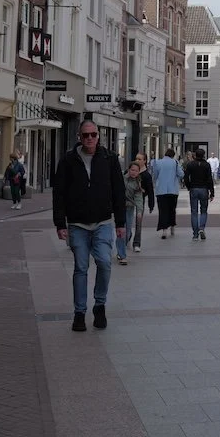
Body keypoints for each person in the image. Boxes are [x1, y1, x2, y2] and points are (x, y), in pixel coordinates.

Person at [54, 121, 126, 332]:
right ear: (79, 136)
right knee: (81, 268)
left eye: (93, 134)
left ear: (98, 135)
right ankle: (79, 313)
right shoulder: (68, 160)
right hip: (77, 224)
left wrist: (121, 222)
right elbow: (59, 193)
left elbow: (118, 191)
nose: (89, 138)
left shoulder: (109, 159)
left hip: (103, 222)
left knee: (104, 262)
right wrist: (60, 223)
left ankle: (99, 305)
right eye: (85, 135)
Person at [150, 147, 184, 239]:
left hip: (161, 190)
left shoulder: (158, 162)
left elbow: (155, 175)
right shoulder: (175, 162)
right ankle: (172, 226)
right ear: (173, 155)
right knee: (172, 209)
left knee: (163, 210)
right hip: (173, 190)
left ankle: (164, 230)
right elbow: (181, 174)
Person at [184, 148, 215, 241]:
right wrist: (212, 192)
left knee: (194, 211)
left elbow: (186, 177)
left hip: (194, 188)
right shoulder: (206, 165)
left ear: (195, 155)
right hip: (204, 189)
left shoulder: (190, 164)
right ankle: (202, 228)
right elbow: (210, 179)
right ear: (203, 155)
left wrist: (189, 186)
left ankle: (195, 234)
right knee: (204, 210)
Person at [119, 163, 146, 266]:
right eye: (132, 170)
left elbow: (139, 198)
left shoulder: (137, 183)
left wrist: (139, 211)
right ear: (129, 170)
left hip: (129, 208)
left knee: (128, 232)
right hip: (120, 208)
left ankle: (123, 246)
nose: (134, 172)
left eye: (136, 171)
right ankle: (121, 254)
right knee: (121, 230)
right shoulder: (122, 179)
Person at [132, 153, 155, 253]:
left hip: (140, 200)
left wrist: (151, 204)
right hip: (128, 200)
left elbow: (150, 190)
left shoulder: (146, 175)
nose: (137, 160)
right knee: (127, 222)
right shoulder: (130, 171)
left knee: (138, 221)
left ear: (145, 161)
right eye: (136, 158)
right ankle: (127, 237)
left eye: (140, 159)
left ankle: (137, 243)